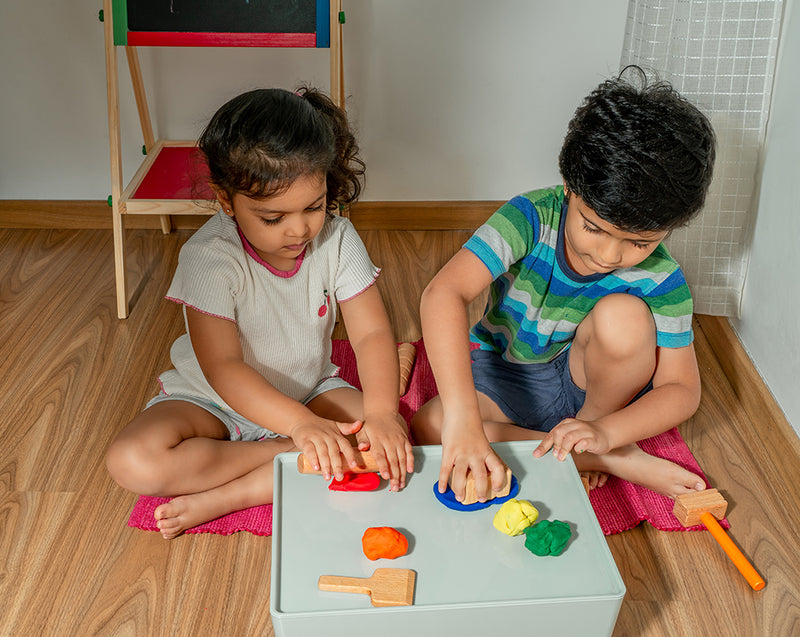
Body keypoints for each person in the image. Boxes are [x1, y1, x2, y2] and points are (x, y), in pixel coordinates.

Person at [106, 87, 414, 539]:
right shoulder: (209, 256)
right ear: (227, 201)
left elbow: (370, 335)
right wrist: (301, 428)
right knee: (132, 461)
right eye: (273, 218)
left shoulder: (338, 237)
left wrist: (384, 412)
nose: (300, 229)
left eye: (313, 206)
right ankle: (290, 451)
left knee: (392, 437)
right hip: (212, 402)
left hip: (310, 390)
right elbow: (224, 368)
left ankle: (233, 494)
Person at [411, 67, 716, 504]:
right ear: (571, 188)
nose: (610, 256)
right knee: (432, 426)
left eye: (640, 242)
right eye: (594, 228)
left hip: (592, 389)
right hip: (507, 371)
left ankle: (585, 442)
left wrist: (603, 429)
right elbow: (444, 293)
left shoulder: (662, 278)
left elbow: (681, 389)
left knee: (624, 318)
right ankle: (601, 459)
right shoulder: (531, 216)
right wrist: (463, 420)